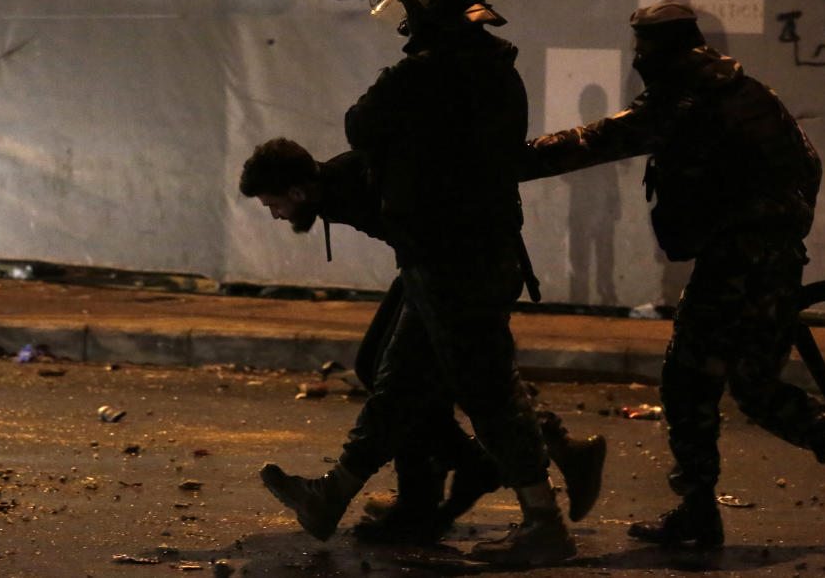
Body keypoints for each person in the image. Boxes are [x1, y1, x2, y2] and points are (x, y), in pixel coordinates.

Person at [520, 1, 825, 546]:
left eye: (642, 47)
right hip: (775, 260)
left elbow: (598, 141)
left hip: (735, 263)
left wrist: (508, 161)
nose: (638, 59)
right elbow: (808, 165)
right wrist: (778, 233)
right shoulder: (751, 92)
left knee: (686, 383)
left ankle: (699, 510)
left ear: (660, 49)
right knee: (755, 385)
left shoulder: (685, 100)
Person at [245, 0, 578, 561]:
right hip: (476, 250)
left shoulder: (424, 74)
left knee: (487, 392)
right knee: (397, 386)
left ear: (424, 4)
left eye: (407, 3)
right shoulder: (498, 70)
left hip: (450, 257)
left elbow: (360, 124)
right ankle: (333, 493)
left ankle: (543, 522)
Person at [238, 138, 607, 546]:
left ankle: (424, 489)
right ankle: (467, 476)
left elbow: (447, 227)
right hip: (434, 267)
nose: (275, 215)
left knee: (433, 386)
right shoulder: (341, 185)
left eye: (274, 204)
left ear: (297, 191)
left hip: (460, 271)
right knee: (388, 372)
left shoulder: (364, 181)